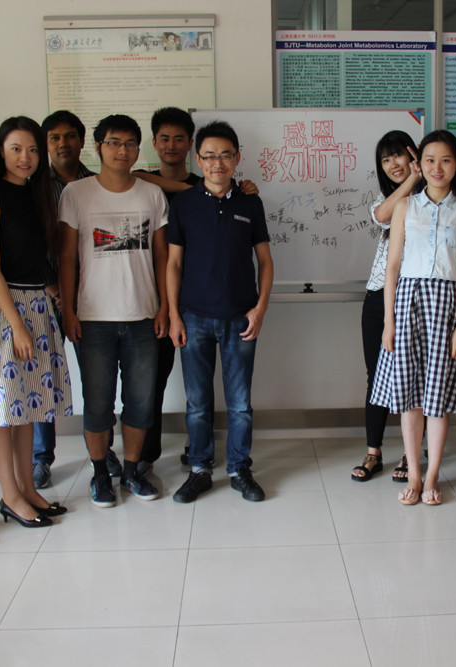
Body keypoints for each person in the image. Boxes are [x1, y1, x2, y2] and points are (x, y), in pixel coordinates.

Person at [59, 114, 169, 508]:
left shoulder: (152, 194)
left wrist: (164, 307)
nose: (122, 151)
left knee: (141, 401)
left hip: (142, 317)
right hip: (93, 319)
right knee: (98, 403)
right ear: (98, 147)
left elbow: (162, 256)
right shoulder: (76, 193)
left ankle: (133, 471)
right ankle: (100, 474)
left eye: (130, 144)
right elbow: (67, 257)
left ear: (139, 149)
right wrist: (69, 310)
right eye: (114, 143)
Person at [370, 129, 456, 506]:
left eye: (446, 160)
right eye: (430, 160)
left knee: (437, 397)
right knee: (409, 398)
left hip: (447, 307)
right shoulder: (406, 206)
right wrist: (389, 322)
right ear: (420, 163)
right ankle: (415, 476)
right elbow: (393, 267)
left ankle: (433, 475)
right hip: (407, 304)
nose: (437, 167)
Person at [0, 116, 69, 528]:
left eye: (32, 150)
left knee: (28, 405)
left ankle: (28, 489)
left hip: (38, 305)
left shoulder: (39, 194)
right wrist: (17, 325)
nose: (25, 157)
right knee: (2, 409)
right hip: (6, 309)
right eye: (16, 149)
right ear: (1, 151)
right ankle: (10, 496)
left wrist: (50, 292)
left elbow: (36, 257)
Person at [166, 121, 274, 503]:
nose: (217, 163)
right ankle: (199, 469)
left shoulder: (251, 203)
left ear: (237, 158)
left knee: (240, 403)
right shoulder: (183, 204)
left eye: (225, 155)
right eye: (209, 156)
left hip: (240, 317)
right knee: (197, 403)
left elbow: (265, 261)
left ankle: (239, 468)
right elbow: (173, 264)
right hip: (193, 317)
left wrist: (260, 308)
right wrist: (174, 315)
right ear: (198, 160)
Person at [31, 110, 122, 489]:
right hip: (46, 296)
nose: (63, 143)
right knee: (42, 376)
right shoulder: (34, 187)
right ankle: (41, 456)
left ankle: (103, 450)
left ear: (83, 141)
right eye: (54, 137)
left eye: (70, 136)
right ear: (45, 143)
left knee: (97, 379)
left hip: (92, 298)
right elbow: (27, 243)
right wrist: (53, 287)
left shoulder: (95, 182)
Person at [350, 130, 421, 483]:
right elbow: (381, 215)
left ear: (413, 155)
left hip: (417, 296)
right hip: (379, 295)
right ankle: (373, 452)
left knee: (416, 377)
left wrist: (419, 181)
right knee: (376, 375)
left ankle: (411, 453)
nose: (394, 164)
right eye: (386, 159)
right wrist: (411, 179)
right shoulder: (388, 198)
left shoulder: (433, 196)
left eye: (399, 155)